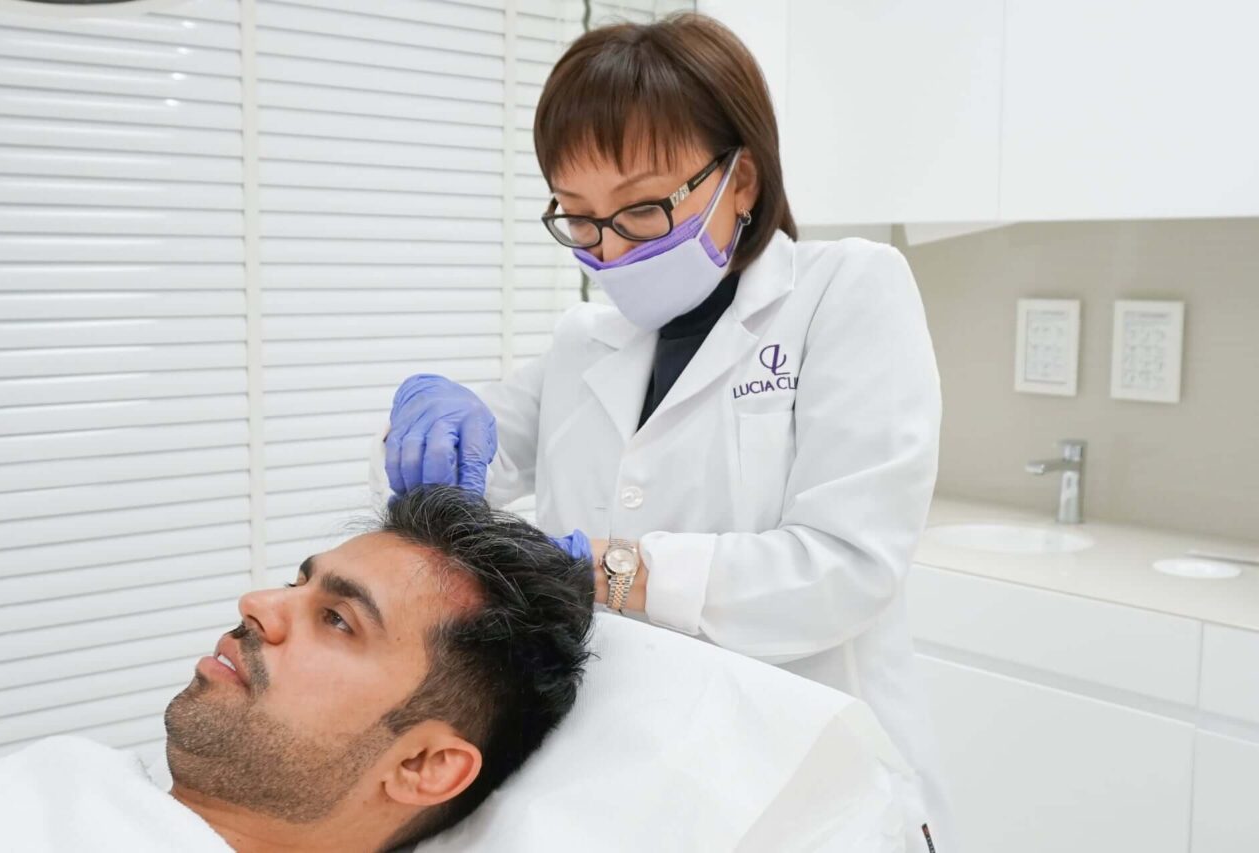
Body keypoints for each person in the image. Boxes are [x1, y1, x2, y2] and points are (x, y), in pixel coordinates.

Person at [379, 13, 953, 850]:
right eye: (578, 218)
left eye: (642, 208)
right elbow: (467, 469)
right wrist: (424, 432)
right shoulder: (585, 341)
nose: (609, 251)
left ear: (742, 180)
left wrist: (609, 571)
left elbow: (847, 566)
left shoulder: (847, 291)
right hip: (635, 774)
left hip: (811, 784)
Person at [0, 487, 594, 853]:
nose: (258, 604)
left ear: (422, 766)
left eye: (337, 619)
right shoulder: (67, 774)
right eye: (294, 583)